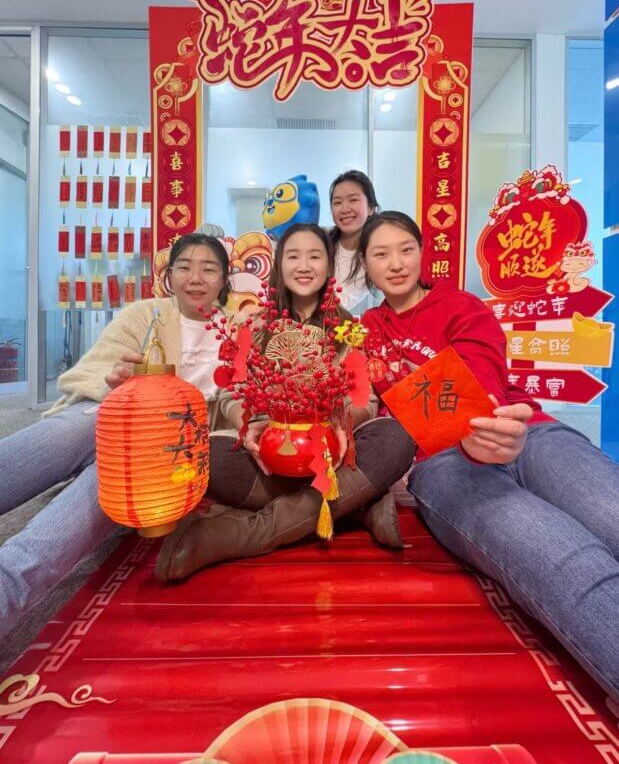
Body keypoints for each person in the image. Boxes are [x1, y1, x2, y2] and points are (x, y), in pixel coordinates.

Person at [357, 210, 619, 701]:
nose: (396, 263)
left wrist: (487, 420)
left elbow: (482, 369)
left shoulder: (461, 305)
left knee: (612, 514)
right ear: (365, 265)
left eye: (405, 249)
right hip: (442, 462)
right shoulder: (364, 330)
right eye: (380, 253)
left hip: (525, 429)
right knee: (563, 556)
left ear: (422, 252)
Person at [0, 232, 233, 638]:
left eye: (209, 268)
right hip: (104, 413)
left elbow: (238, 403)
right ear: (169, 275)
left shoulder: (236, 331)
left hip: (161, 449)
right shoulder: (144, 315)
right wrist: (116, 381)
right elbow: (89, 372)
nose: (195, 277)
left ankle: (8, 587)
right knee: (70, 430)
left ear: (224, 280)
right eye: (184, 267)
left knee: (55, 534)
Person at [155, 223, 415, 581]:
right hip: (270, 459)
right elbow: (232, 392)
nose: (304, 265)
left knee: (395, 436)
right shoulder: (256, 324)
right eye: (293, 256)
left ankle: (239, 533)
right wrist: (251, 426)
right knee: (204, 454)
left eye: (315, 255)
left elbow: (364, 398)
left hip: (331, 459)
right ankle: (355, 506)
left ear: (329, 267)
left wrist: (341, 421)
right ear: (279, 265)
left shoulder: (348, 328)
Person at [329, 170, 380, 315]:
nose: (345, 209)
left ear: (370, 207)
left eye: (353, 200)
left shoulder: (381, 253)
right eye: (337, 202)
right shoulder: (321, 246)